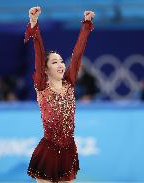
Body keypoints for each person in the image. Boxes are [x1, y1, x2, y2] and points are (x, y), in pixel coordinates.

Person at [24, 6, 95, 183]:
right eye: (54, 62)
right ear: (46, 70)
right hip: (49, 149)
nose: (61, 64)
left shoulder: (69, 82)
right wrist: (34, 23)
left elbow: (77, 55)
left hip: (69, 149)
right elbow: (39, 53)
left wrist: (86, 25)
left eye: (61, 61)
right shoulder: (42, 85)